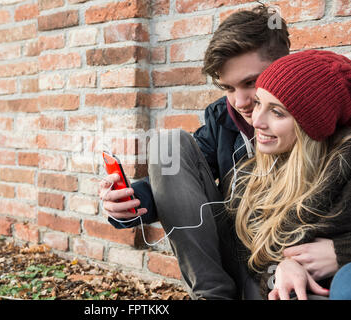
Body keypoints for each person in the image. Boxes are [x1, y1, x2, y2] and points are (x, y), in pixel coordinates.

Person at [99, 5, 339, 300]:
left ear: (282, 67)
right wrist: (129, 202)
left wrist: (342, 250)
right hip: (238, 252)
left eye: (251, 82)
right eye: (228, 87)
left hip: (296, 269)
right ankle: (212, 295)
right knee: (169, 144)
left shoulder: (326, 114)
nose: (241, 102)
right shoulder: (222, 119)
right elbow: (178, 179)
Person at [227, 49, 351, 300]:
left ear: (311, 128)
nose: (256, 121)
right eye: (259, 102)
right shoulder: (250, 176)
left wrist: (343, 251)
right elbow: (259, 261)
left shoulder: (343, 169)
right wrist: (284, 266)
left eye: (278, 112)